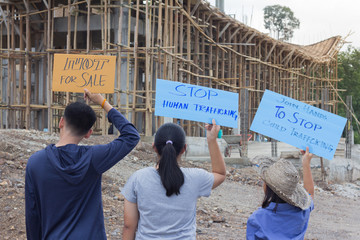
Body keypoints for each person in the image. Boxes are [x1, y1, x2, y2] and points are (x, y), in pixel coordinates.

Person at [25, 89, 140, 239]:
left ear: (61, 122)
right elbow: (131, 136)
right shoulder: (94, 158)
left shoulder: (35, 163)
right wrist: (103, 102)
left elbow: (32, 215)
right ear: (88, 133)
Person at [121, 119, 226, 239]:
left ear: (154, 147)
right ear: (184, 148)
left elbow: (129, 226)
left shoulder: (138, 178)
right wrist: (211, 140)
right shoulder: (195, 178)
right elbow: (220, 174)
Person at [246, 147, 315, 240]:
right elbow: (310, 194)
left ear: (268, 188)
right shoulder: (302, 211)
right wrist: (306, 163)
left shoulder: (257, 218)